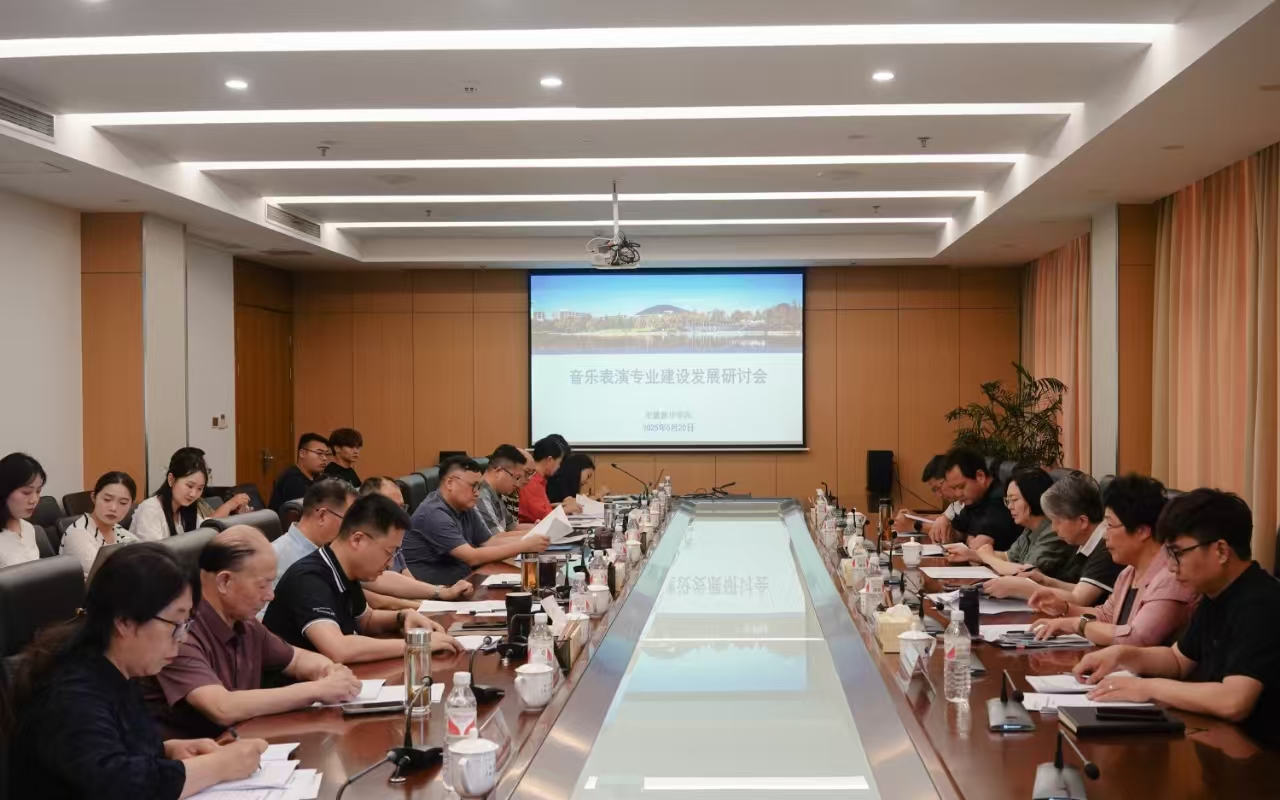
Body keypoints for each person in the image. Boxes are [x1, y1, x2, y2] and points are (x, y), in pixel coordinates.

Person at [4, 544, 268, 799]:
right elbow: (118, 786)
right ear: (125, 622)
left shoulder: (117, 670)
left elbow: (105, 751)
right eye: (175, 623)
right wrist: (218, 766)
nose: (183, 637)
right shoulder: (71, 692)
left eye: (186, 623)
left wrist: (166, 751)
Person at [1075, 489, 1280, 745]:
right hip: (1219, 739)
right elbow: (1177, 660)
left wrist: (1147, 688)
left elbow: (1234, 701)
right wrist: (1121, 655)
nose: (1171, 567)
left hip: (1259, 755)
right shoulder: (1215, 594)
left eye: (1178, 553)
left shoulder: (1260, 604)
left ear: (1221, 551)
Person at [149, 527, 362, 739]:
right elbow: (222, 707)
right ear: (224, 581)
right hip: (196, 755)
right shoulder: (179, 631)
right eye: (262, 585)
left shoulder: (245, 622)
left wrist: (328, 671)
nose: (270, 595)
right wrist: (317, 690)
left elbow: (297, 659)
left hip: (246, 743)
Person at [263, 494, 462, 663]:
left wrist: (402, 616)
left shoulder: (344, 570)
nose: (390, 564)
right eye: (389, 552)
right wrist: (418, 644)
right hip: (296, 689)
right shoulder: (308, 578)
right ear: (358, 540)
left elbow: (366, 620)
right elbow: (339, 649)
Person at [1031, 475, 1198, 646]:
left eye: (1110, 525)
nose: (1104, 535)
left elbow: (1137, 637)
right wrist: (1065, 608)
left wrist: (1076, 625)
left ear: (1141, 531)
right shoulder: (1128, 573)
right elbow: (1106, 616)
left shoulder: (1171, 577)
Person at [405, 456, 549, 585]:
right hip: (436, 592)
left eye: (479, 486)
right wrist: (525, 545)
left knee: (535, 581)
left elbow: (489, 542)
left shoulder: (464, 506)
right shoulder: (434, 513)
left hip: (465, 581)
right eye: (473, 486)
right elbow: (472, 557)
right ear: (450, 483)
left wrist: (535, 537)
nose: (477, 493)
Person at [982, 472, 1122, 605]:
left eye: (1057, 521)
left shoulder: (1106, 546)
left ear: (1082, 521)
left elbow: (1079, 599)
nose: (1054, 528)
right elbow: (1079, 588)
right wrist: (1045, 581)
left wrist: (1022, 588)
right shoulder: (1084, 542)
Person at [944, 467, 1077, 580]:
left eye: (1014, 500)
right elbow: (1008, 557)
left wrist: (987, 557)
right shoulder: (1029, 528)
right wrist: (971, 554)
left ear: (1033, 497)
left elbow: (1027, 574)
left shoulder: (1054, 531)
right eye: (1008, 501)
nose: (1009, 507)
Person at [358, 476, 475, 604]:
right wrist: (434, 601)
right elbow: (380, 598)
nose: (401, 514)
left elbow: (409, 583)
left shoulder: (394, 536)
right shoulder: (362, 541)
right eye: (392, 507)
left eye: (401, 507)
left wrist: (441, 596)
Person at [131, 451, 249, 541]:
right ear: (171, 479)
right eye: (189, 486)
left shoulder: (187, 509)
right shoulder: (150, 510)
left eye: (200, 489)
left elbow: (205, 530)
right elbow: (154, 556)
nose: (193, 494)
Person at [272, 478, 357, 588]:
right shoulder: (274, 559)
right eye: (348, 521)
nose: (352, 530)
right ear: (322, 516)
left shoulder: (333, 551)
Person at [938, 448, 1022, 550]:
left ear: (980, 476)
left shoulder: (1001, 499)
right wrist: (944, 522)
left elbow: (978, 545)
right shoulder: (975, 499)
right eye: (953, 488)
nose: (957, 494)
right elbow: (959, 531)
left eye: (961, 487)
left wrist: (967, 536)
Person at [60, 471, 140, 576]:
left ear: (131, 505)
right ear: (94, 497)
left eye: (123, 503)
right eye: (107, 500)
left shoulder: (122, 533)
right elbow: (105, 576)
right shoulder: (76, 534)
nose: (113, 508)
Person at [893, 455, 965, 537]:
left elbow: (958, 533)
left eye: (938, 487)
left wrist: (915, 525)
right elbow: (942, 518)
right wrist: (913, 517)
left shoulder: (970, 501)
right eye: (934, 490)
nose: (939, 495)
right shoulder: (957, 504)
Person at [518, 436, 582, 523]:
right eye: (559, 462)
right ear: (550, 460)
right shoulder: (530, 480)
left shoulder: (539, 480)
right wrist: (566, 509)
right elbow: (541, 516)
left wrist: (561, 505)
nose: (559, 467)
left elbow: (540, 508)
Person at [0, 452, 46, 567]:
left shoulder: (28, 528)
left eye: (38, 491)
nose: (34, 500)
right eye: (26, 492)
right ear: (4, 491)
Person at [268, 433, 330, 512]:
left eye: (326, 454)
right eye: (319, 453)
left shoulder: (318, 477)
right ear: (302, 453)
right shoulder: (292, 479)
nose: (324, 458)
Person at [477, 445, 530, 536]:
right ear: (499, 471)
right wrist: (536, 535)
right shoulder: (481, 495)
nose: (516, 483)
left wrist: (541, 527)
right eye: (516, 477)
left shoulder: (497, 493)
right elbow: (497, 537)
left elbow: (513, 528)